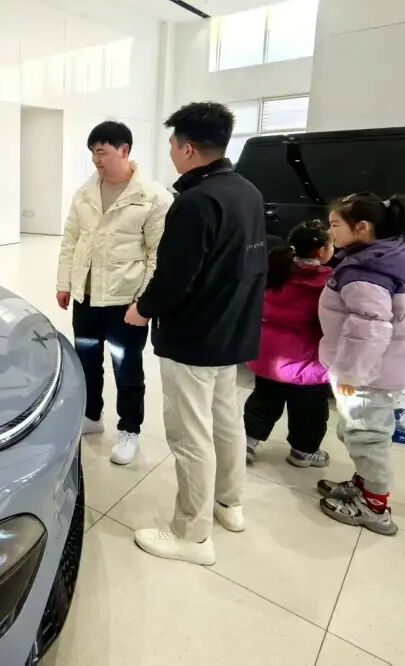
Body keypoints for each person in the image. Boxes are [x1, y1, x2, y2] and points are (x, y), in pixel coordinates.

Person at [123, 102, 267, 566]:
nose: (170, 153)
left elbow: (174, 278)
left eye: (172, 145)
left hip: (194, 337)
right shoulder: (247, 191)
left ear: (188, 149)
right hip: (231, 332)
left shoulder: (196, 202)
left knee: (190, 435)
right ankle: (229, 503)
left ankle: (191, 534)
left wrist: (142, 310)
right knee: (226, 420)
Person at [56, 120, 171, 465]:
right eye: (93, 153)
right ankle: (92, 415)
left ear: (124, 150)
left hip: (125, 302)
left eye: (102, 152)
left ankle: (129, 429)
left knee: (127, 367)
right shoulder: (85, 192)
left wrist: (144, 302)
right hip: (87, 298)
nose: (96, 160)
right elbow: (70, 240)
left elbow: (158, 255)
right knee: (87, 360)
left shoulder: (152, 197)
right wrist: (65, 283)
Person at [316, 193, 405, 536]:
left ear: (361, 228)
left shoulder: (367, 272)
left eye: (335, 225)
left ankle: (374, 506)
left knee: (366, 435)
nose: (330, 232)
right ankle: (363, 484)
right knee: (365, 429)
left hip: (368, 371)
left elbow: (368, 330)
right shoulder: (396, 250)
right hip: (387, 363)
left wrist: (351, 374)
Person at [245, 220, 335, 467]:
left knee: (263, 401)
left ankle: (247, 443)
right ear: (321, 252)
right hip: (307, 362)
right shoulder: (328, 282)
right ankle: (303, 451)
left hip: (268, 357)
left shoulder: (275, 271)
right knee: (310, 410)